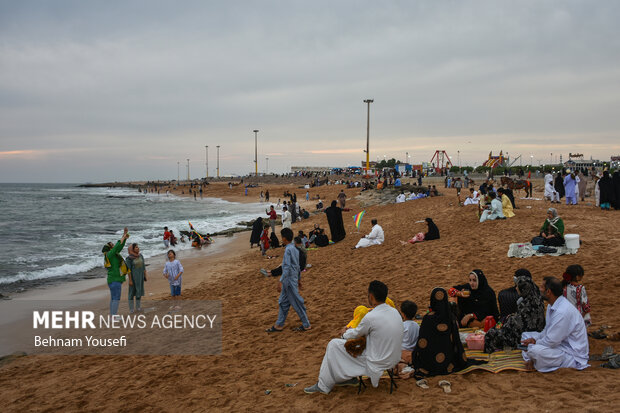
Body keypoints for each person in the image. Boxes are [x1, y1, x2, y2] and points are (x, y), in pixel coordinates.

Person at [304, 281, 403, 394]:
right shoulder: (395, 312)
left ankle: (323, 385)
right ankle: (343, 378)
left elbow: (356, 333)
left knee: (333, 345)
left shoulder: (371, 316)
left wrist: (344, 333)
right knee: (343, 345)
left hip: (377, 360)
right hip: (393, 358)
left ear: (371, 296)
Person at [521, 277, 589, 372]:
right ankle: (534, 359)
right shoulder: (551, 305)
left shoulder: (562, 311)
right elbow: (547, 331)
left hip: (571, 355)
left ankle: (534, 360)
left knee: (534, 350)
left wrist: (534, 343)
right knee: (525, 336)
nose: (539, 289)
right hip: (559, 345)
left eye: (541, 287)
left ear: (548, 292)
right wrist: (534, 339)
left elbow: (551, 341)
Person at [412, 288, 468, 377]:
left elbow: (422, 342)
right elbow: (456, 340)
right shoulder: (451, 317)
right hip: (448, 360)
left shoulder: (427, 318)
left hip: (429, 363)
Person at [484, 275, 545, 353]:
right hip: (534, 333)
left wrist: (508, 320)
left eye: (517, 286)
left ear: (523, 289)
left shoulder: (525, 304)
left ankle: (491, 355)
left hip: (521, 337)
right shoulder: (538, 300)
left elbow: (517, 325)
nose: (516, 288)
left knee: (491, 334)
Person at [265, 228, 310, 333]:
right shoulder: (295, 248)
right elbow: (298, 266)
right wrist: (299, 279)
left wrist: (281, 281)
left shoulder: (288, 250)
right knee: (283, 302)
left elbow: (287, 267)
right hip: (292, 279)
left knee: (296, 302)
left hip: (288, 281)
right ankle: (279, 325)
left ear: (284, 238)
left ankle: (306, 324)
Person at [102, 227, 130, 315]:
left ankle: (112, 316)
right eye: (112, 244)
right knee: (116, 298)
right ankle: (113, 316)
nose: (113, 245)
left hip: (114, 279)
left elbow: (119, 246)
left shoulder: (113, 255)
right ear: (109, 248)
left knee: (113, 298)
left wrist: (124, 236)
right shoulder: (110, 254)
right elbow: (118, 245)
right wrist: (123, 236)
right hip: (114, 279)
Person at [126, 243, 147, 313]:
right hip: (133, 278)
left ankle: (138, 307)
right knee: (131, 293)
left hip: (140, 277)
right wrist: (130, 280)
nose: (138, 248)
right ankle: (131, 308)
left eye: (138, 247)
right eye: (136, 247)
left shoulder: (140, 256)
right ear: (132, 249)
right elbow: (128, 270)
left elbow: (143, 266)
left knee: (139, 291)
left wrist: (145, 275)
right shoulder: (129, 259)